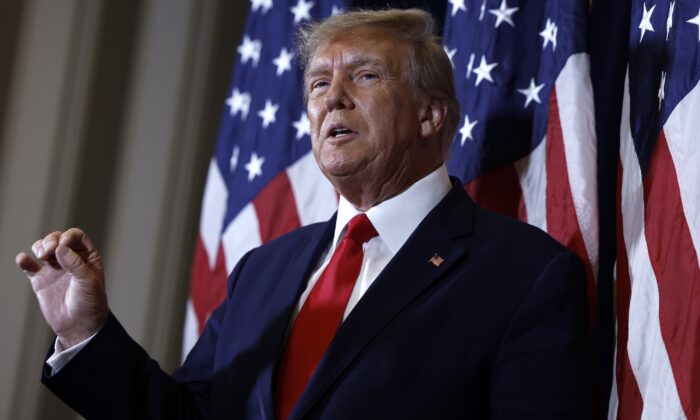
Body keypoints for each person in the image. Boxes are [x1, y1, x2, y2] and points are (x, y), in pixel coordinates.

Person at [16, 8, 591, 420]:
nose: (332, 98)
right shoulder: (263, 270)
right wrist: (85, 332)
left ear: (430, 116)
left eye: (364, 76)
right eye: (319, 83)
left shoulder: (525, 275)